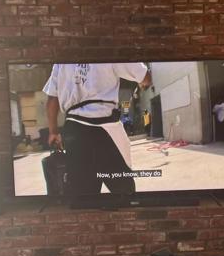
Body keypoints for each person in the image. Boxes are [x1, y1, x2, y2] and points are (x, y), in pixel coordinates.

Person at [45, 63, 151, 195]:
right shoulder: (108, 51)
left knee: (83, 196)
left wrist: (53, 132)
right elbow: (145, 77)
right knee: (124, 192)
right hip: (107, 128)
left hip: (74, 131)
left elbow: (51, 100)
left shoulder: (61, 63)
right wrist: (142, 84)